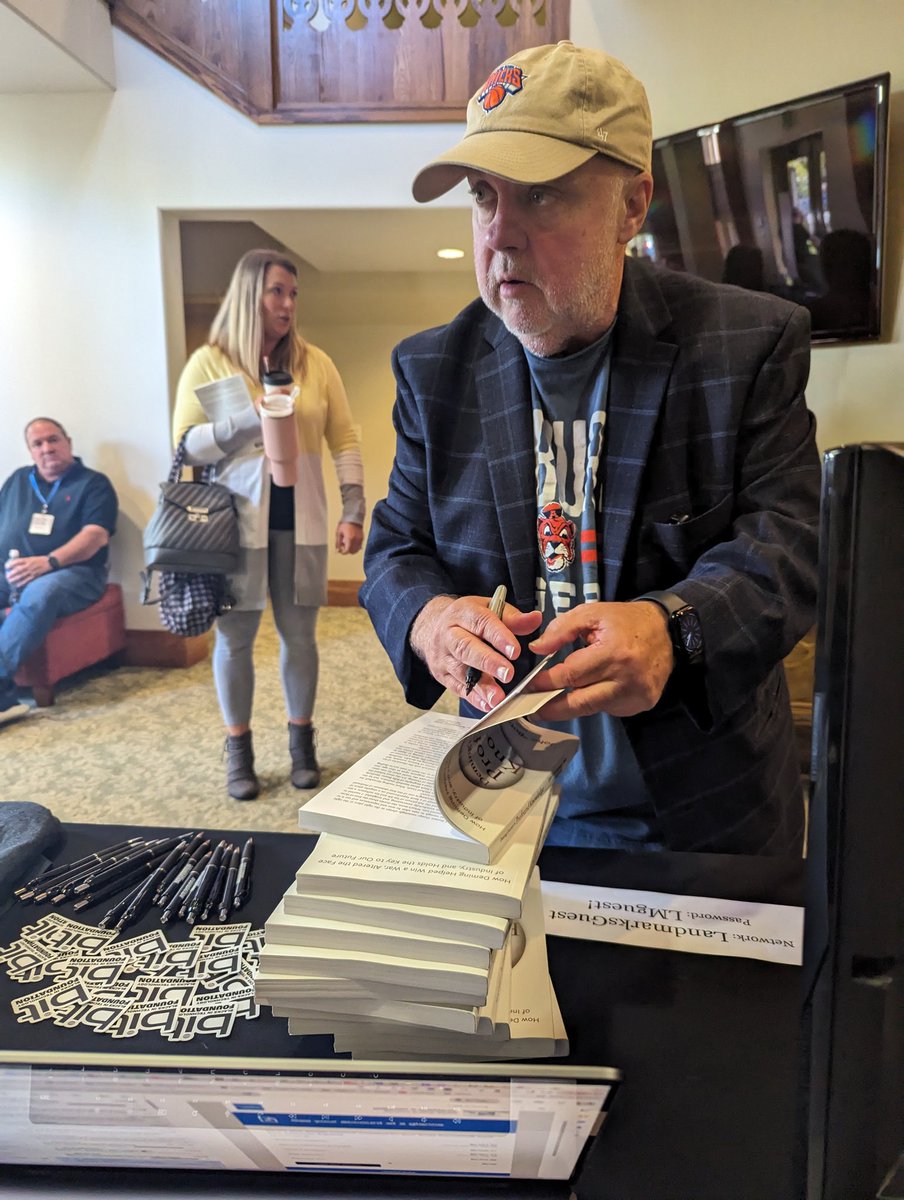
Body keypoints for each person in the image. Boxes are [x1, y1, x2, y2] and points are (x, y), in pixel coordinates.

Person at [360, 41, 821, 855]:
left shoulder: (747, 345)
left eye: (541, 195)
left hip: (703, 815)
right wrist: (431, 620)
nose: (500, 234)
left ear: (632, 205)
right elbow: (397, 548)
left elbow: (790, 549)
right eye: (481, 196)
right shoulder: (432, 370)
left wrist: (674, 629)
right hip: (502, 808)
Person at [173, 248, 365, 801]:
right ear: (249, 295)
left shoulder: (316, 364)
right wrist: (245, 418)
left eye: (294, 294)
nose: (287, 304)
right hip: (234, 527)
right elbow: (185, 444)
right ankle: (239, 751)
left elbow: (345, 439)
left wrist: (354, 508)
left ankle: (301, 743)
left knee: (300, 636)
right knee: (234, 640)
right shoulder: (209, 362)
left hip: (300, 522)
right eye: (277, 291)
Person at [0, 418, 118, 726]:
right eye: (37, 444)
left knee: (42, 592)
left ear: (68, 442)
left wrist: (48, 562)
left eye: (53, 440)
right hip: (13, 574)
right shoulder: (17, 482)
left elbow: (95, 536)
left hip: (74, 575)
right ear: (30, 451)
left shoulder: (93, 483)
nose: (47, 448)